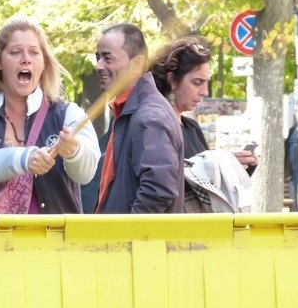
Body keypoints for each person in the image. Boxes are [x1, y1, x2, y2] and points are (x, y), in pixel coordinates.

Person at [0, 16, 100, 214]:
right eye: (15, 52)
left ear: (43, 63)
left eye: (34, 52)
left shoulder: (70, 113)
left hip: (55, 243)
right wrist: (26, 158)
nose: (26, 59)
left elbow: (86, 174)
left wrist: (74, 152)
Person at [150, 36, 258, 212]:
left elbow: (207, 188)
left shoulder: (191, 127)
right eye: (197, 82)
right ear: (172, 80)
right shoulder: (155, 126)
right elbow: (162, 186)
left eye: (206, 82)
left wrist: (232, 168)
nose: (204, 91)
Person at [93, 23, 184, 213]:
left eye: (107, 58)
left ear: (136, 64)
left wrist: (128, 237)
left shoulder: (150, 117)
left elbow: (158, 191)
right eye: (98, 57)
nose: (98, 66)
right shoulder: (130, 110)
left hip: (134, 242)